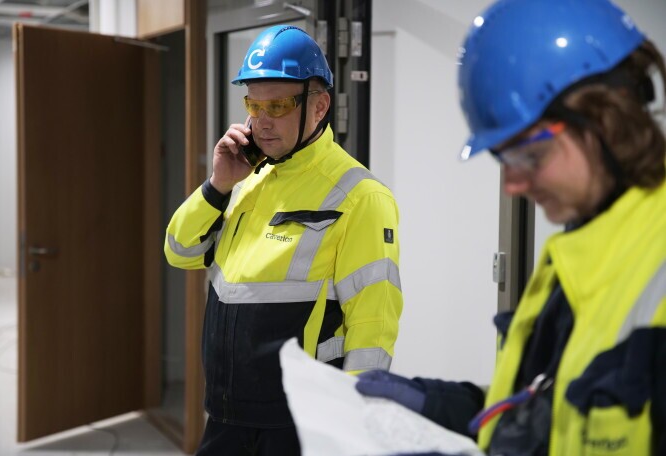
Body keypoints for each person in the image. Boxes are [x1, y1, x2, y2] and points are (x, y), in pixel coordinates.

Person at [356, 0, 666, 454]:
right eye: (503, 158)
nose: (512, 185)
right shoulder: (574, 259)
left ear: (605, 118)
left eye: (528, 155)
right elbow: (547, 410)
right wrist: (434, 404)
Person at [164, 24, 403, 455]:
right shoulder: (247, 177)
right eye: (253, 104)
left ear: (319, 106)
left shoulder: (359, 196)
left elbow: (374, 324)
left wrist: (353, 426)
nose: (261, 121)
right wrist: (218, 185)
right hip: (226, 413)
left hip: (299, 422)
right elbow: (180, 252)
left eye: (277, 105)